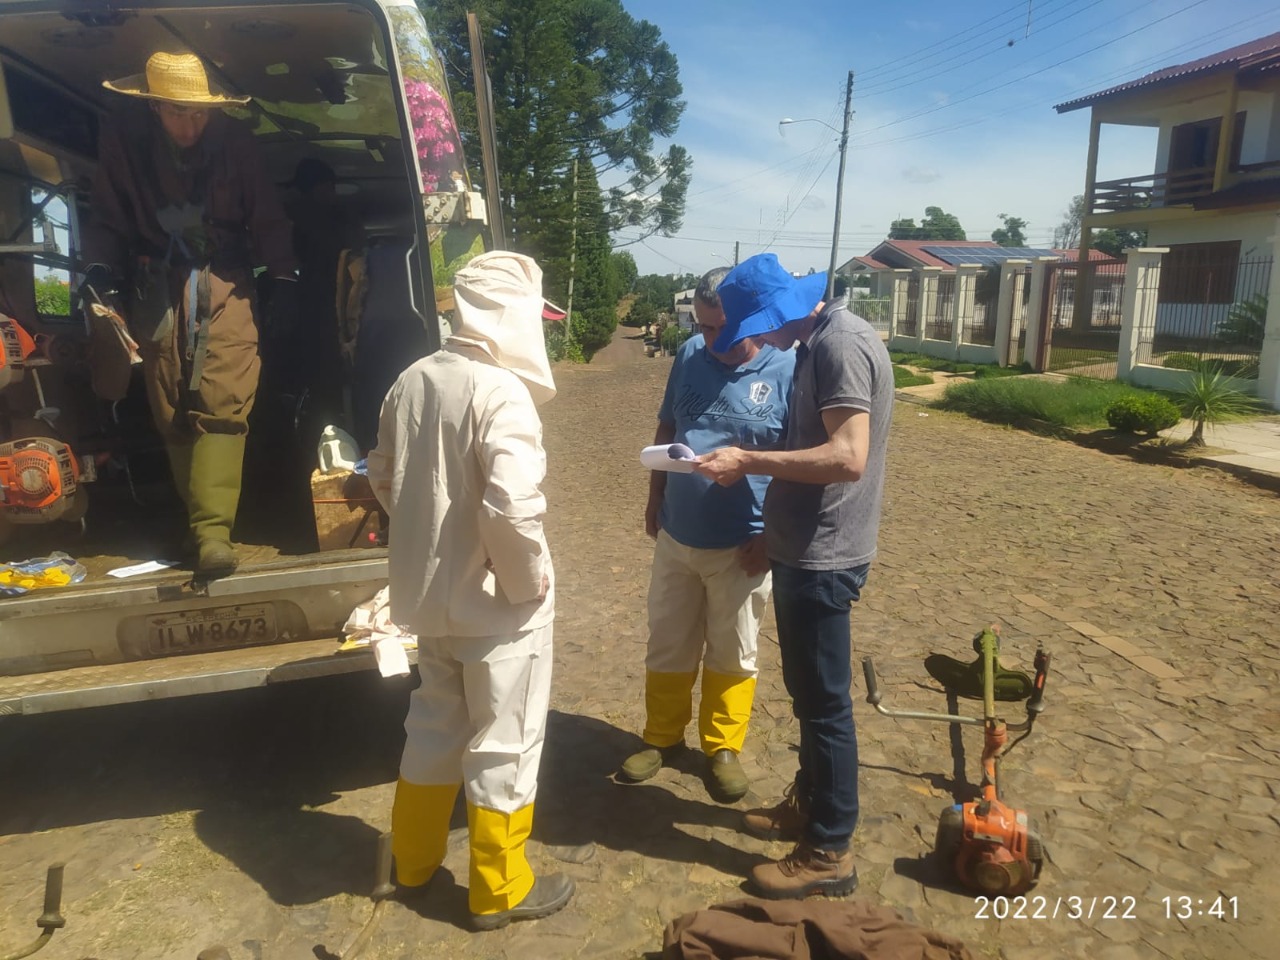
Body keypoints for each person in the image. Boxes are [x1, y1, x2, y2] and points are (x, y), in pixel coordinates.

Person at [367, 251, 573, 931]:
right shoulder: (500, 390)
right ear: (513, 315)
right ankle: (498, 889)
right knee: (504, 744)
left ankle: (416, 863)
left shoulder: (411, 379)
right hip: (498, 606)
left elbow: (383, 477)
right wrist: (527, 580)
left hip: (430, 600)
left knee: (432, 729)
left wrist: (427, 543)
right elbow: (512, 504)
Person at [694, 253, 894, 900]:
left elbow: (848, 456)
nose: (756, 341)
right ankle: (809, 803)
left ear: (779, 311)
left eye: (756, 325)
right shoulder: (815, 343)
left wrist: (748, 458)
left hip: (825, 551)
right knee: (809, 695)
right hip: (802, 544)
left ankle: (829, 848)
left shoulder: (840, 345)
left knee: (827, 705)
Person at [82, 52, 298, 575]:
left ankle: (212, 534)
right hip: (156, 285)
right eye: (179, 111)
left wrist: (284, 277)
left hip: (224, 279)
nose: (190, 123)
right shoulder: (122, 143)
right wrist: (99, 273)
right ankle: (197, 524)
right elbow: (108, 215)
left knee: (225, 398)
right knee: (172, 405)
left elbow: (266, 214)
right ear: (155, 106)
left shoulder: (237, 143)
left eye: (199, 112)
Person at [618, 267, 795, 804]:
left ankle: (722, 748)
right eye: (703, 325)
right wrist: (654, 499)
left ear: (753, 320)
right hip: (679, 533)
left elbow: (799, 463)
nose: (711, 338)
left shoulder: (788, 368)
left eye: (722, 328)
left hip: (744, 543)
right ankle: (662, 738)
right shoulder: (691, 353)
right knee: (668, 640)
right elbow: (668, 429)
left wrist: (775, 536)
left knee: (732, 649)